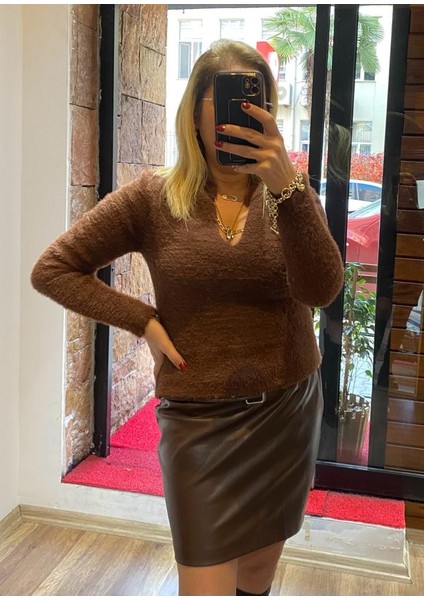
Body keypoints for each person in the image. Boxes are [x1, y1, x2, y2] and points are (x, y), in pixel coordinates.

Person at [31, 39, 344, 596]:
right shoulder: (153, 198)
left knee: (255, 580)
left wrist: (289, 190)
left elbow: (321, 292)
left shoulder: (291, 198)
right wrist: (144, 321)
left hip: (285, 411)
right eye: (223, 106)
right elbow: (54, 269)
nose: (237, 119)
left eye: (252, 106)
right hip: (197, 421)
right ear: (194, 114)